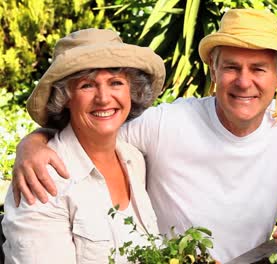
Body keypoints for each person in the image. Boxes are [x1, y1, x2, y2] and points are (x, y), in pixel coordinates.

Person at [11, 9, 277, 262]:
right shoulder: (164, 124)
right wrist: (32, 144)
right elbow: (90, 130)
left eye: (259, 69)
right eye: (232, 67)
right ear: (214, 72)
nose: (244, 81)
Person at [2, 28, 165, 263]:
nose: (104, 98)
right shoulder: (42, 179)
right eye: (87, 85)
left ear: (132, 90)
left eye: (116, 82)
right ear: (64, 97)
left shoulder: (134, 158)